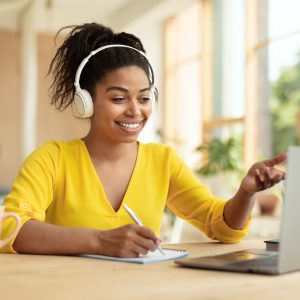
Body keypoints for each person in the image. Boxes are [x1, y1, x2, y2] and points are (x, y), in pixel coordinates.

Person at [0, 23, 286, 257]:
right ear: (84, 102)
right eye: (118, 98)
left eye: (144, 98)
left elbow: (223, 228)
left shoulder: (163, 161)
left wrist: (246, 193)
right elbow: (11, 229)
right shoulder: (52, 159)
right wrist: (100, 241)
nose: (135, 110)